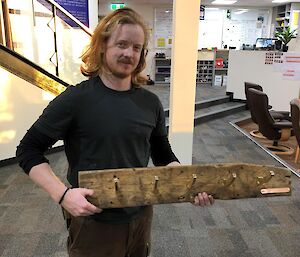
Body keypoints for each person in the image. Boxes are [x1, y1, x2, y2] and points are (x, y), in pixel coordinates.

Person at [16, 7, 214, 257]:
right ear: (102, 46)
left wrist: (186, 182)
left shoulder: (150, 102)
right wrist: (63, 195)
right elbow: (27, 150)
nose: (128, 53)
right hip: (93, 221)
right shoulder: (76, 99)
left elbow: (162, 153)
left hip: (141, 213)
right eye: (121, 44)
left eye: (136, 47)